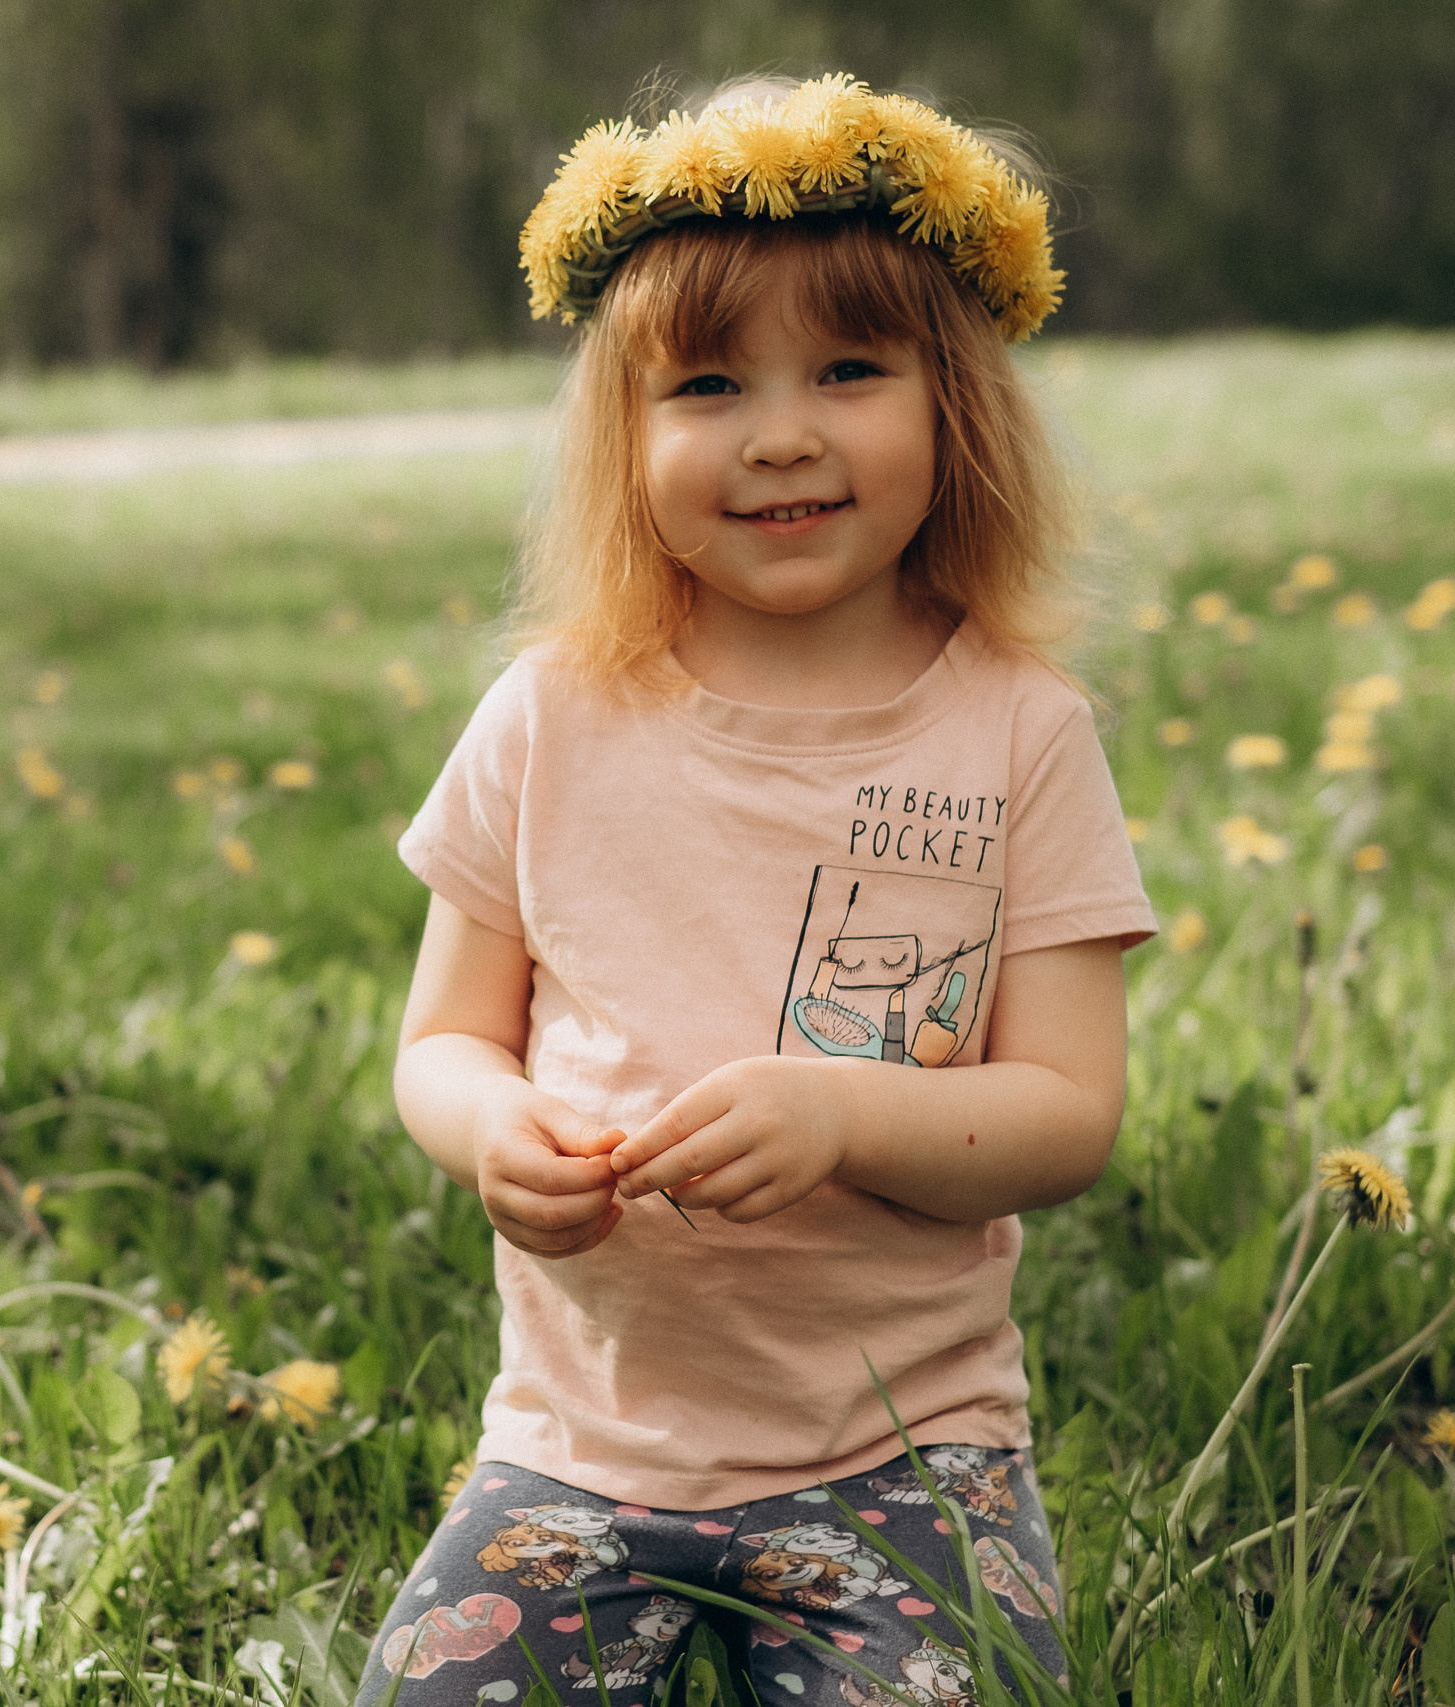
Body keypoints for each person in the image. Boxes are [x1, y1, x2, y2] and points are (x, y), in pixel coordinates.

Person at [354, 73, 1155, 1706]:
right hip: (580, 1450)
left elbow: (1069, 1114)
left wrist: (845, 1115)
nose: (782, 431)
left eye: (850, 371)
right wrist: (491, 1133)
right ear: (624, 434)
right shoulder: (553, 713)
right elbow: (442, 1040)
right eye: (709, 383)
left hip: (900, 1451)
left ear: (957, 408)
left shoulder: (1018, 732)